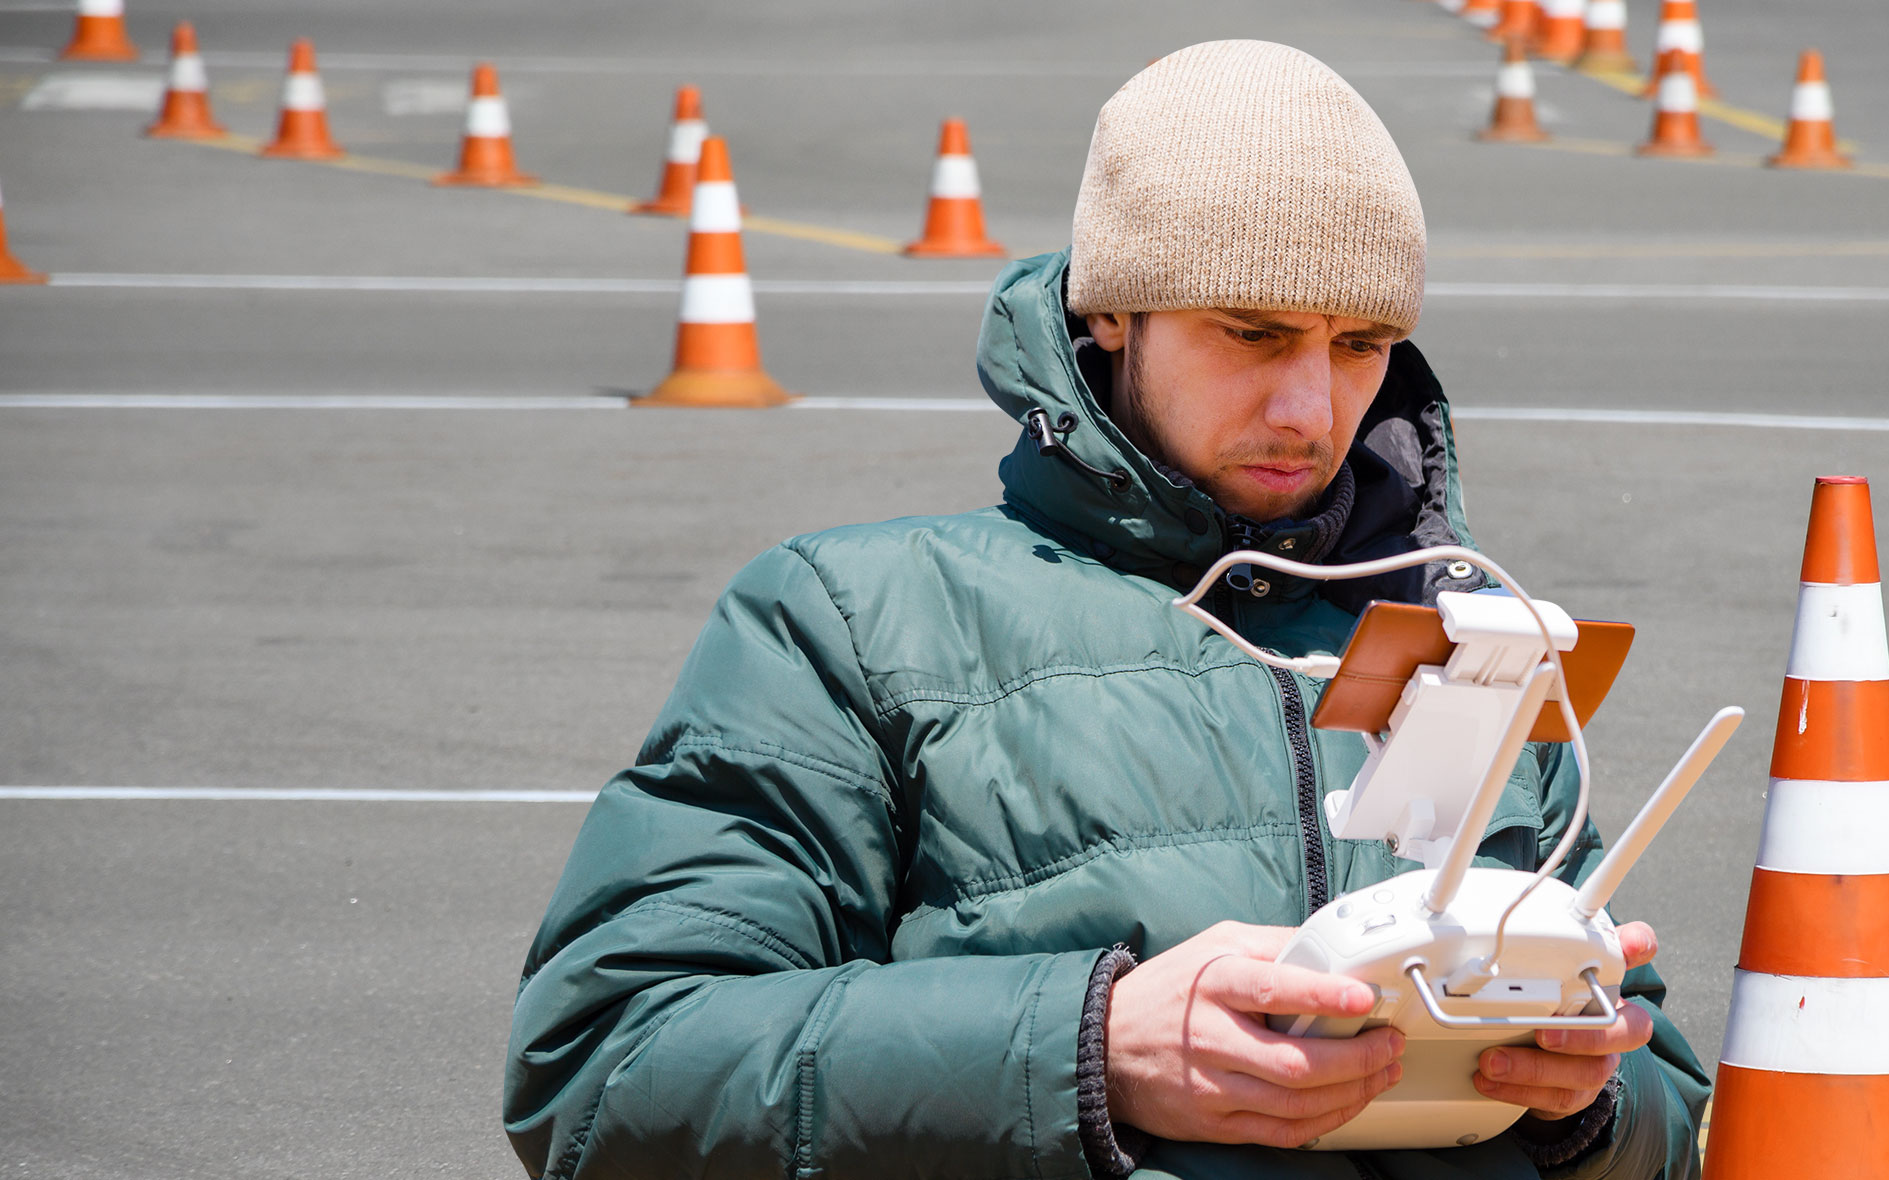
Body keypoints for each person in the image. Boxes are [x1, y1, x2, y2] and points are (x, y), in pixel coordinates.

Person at [504, 40, 1709, 1180]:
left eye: (1362, 342)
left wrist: (1585, 1098)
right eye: (1254, 331)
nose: (1308, 404)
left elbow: (1676, 1106)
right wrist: (1088, 1044)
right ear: (1112, 312)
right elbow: (608, 1066)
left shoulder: (1476, 633)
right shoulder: (855, 619)